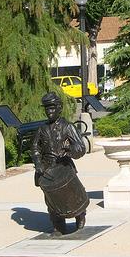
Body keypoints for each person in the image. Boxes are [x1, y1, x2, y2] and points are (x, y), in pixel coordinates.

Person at [31, 92, 89, 235]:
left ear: (59, 108)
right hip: (47, 167)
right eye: (47, 109)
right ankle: (58, 224)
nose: (49, 112)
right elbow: (35, 148)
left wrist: (69, 151)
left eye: (52, 108)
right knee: (51, 199)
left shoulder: (67, 127)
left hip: (63, 166)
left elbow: (80, 147)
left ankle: (80, 214)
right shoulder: (42, 129)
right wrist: (38, 163)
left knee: (72, 194)